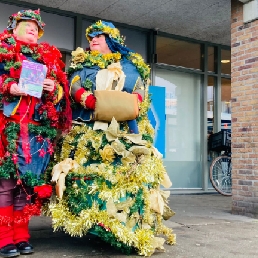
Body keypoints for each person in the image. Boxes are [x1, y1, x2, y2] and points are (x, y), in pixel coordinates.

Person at [48, 20, 175, 256]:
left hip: (125, 133)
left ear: (111, 40)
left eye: (98, 36)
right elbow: (74, 86)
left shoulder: (129, 66)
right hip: (88, 130)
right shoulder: (82, 65)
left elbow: (138, 92)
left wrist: (125, 103)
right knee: (89, 178)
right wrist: (87, 99)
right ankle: (97, 223)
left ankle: (126, 227)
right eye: (90, 38)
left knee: (126, 178)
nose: (92, 40)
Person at [0, 9, 71, 257]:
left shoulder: (48, 57)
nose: (33, 28)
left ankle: (21, 236)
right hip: (7, 130)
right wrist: (10, 87)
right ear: (13, 27)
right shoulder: (2, 51)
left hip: (37, 133)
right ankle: (4, 239)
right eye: (28, 24)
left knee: (26, 187)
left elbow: (61, 97)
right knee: (6, 185)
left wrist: (55, 87)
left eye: (36, 27)